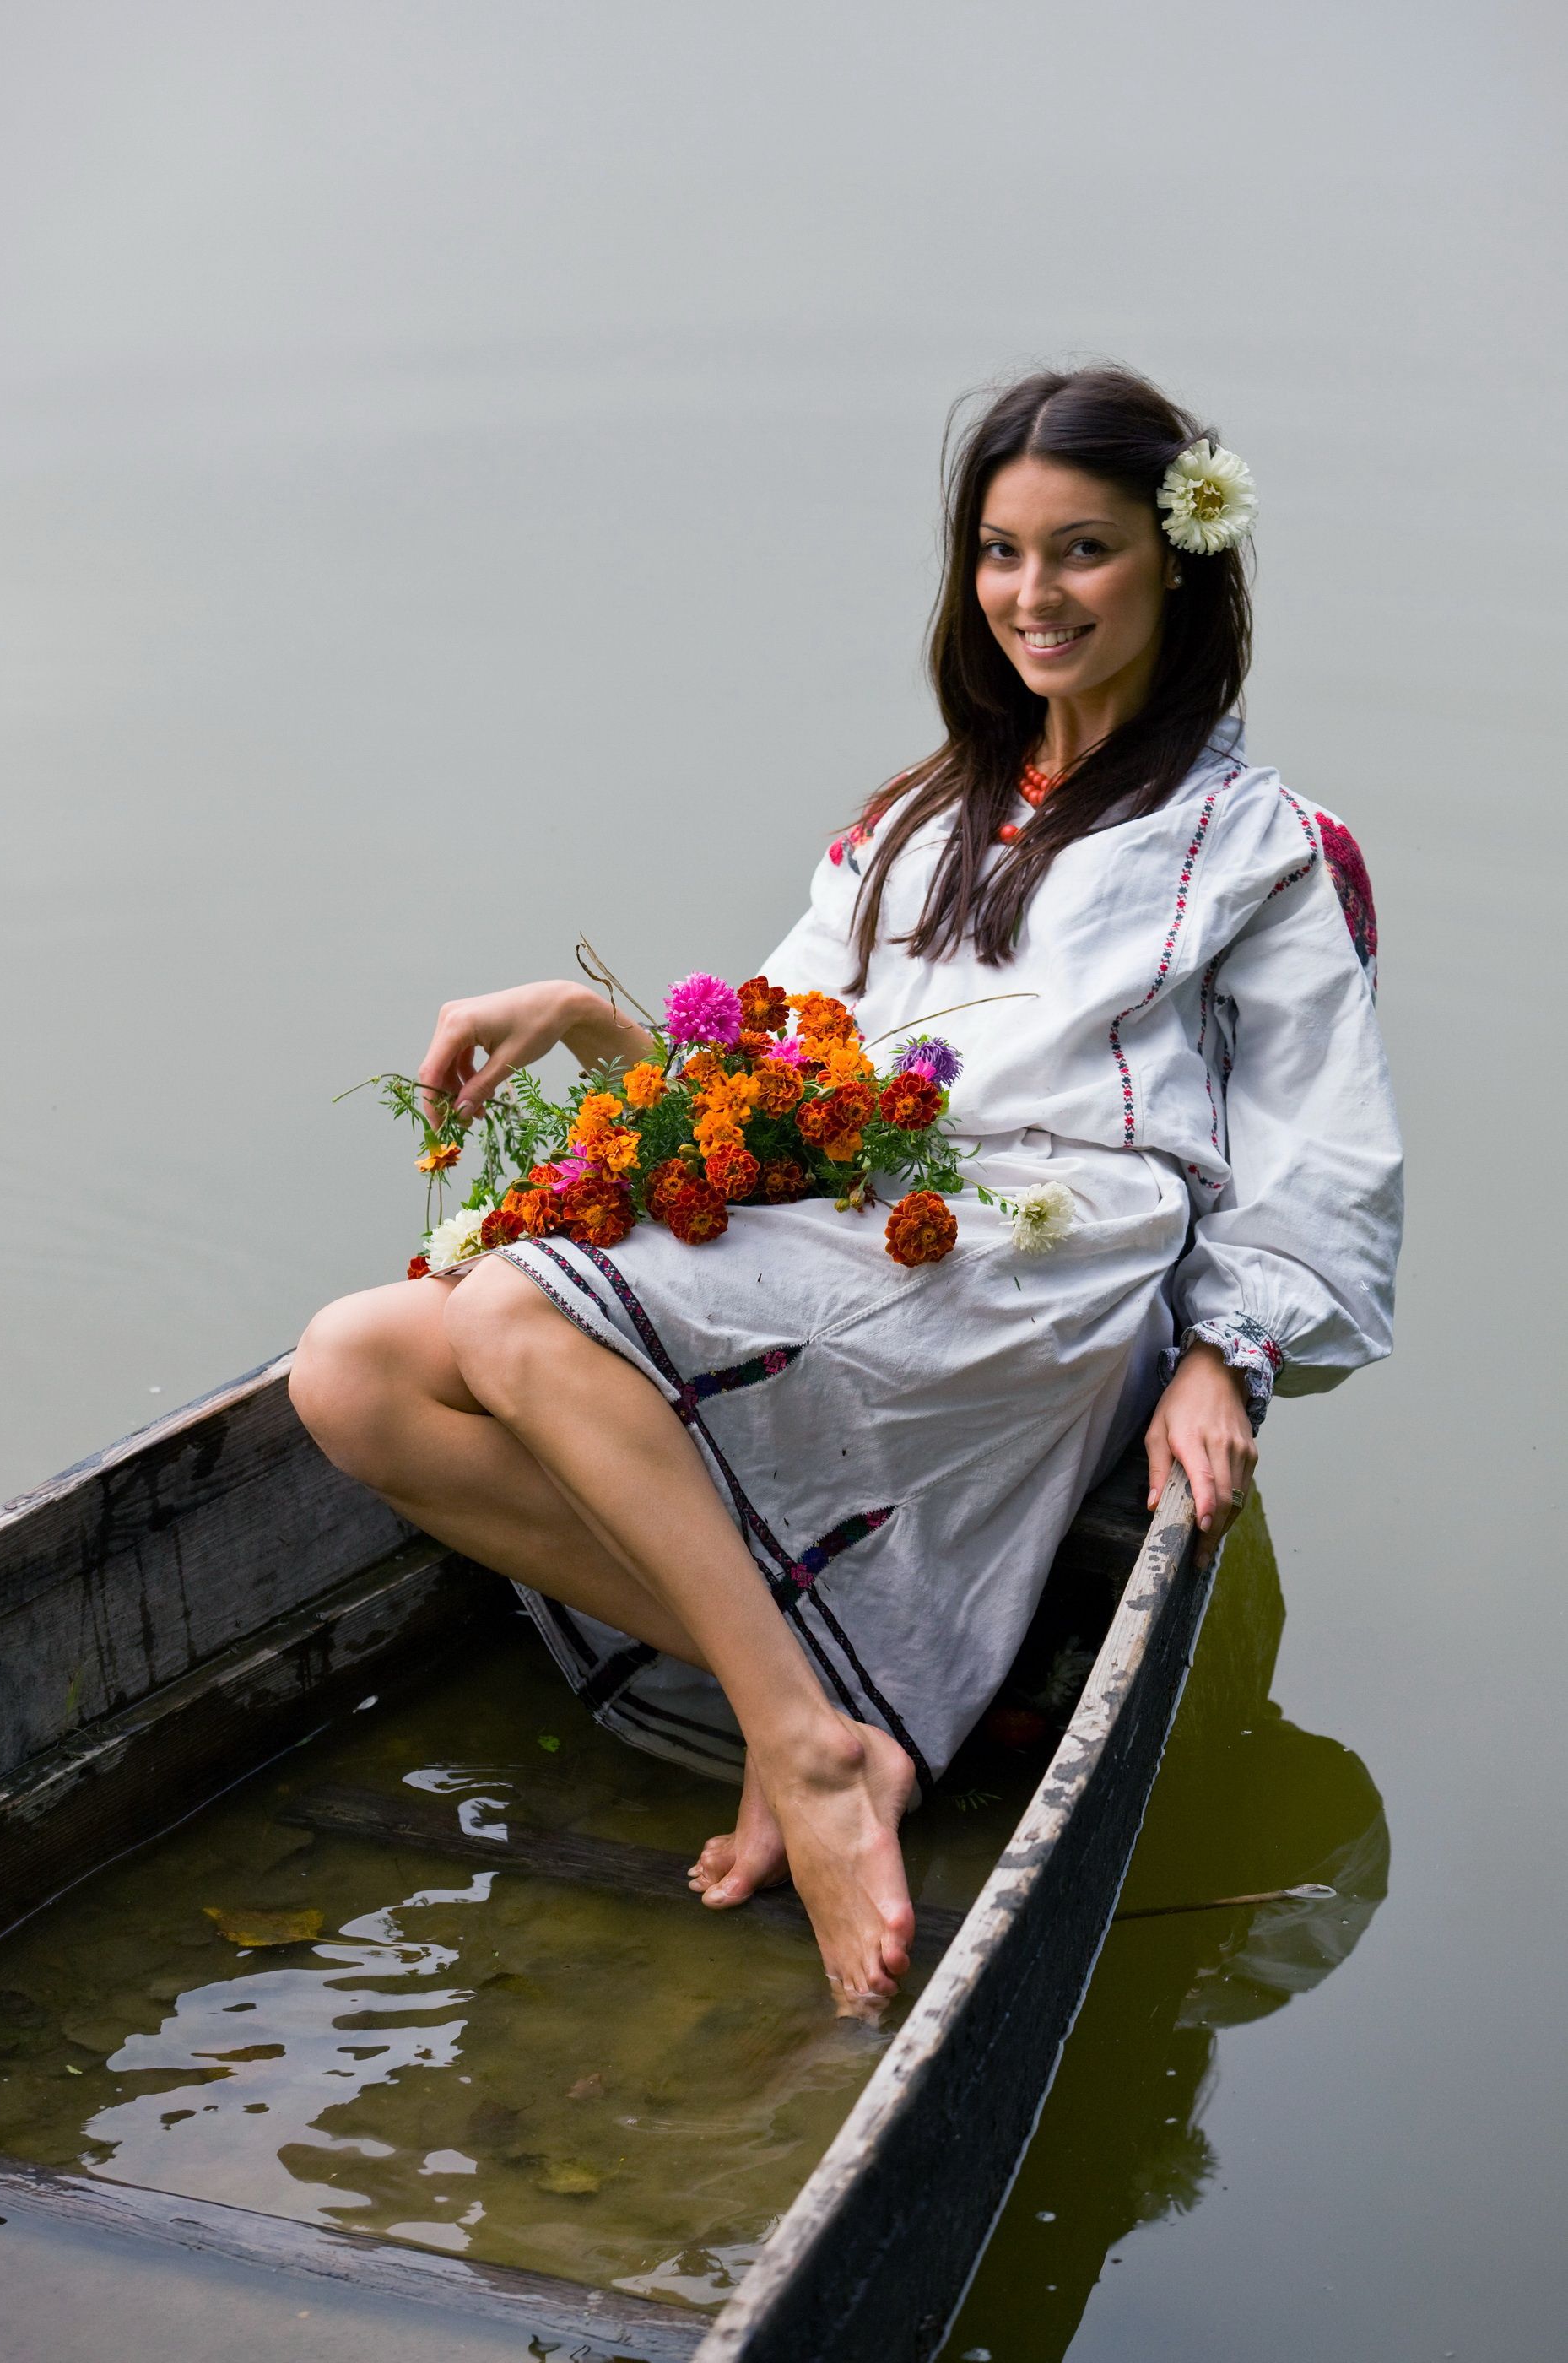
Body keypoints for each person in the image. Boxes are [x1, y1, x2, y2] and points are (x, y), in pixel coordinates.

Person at [289, 366, 1403, 2012]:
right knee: (353, 1367)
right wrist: (602, 1026)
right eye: (1002, 553)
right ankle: (811, 1702)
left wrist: (1220, 1353)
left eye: (1083, 550)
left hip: (1042, 1264)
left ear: (1178, 561)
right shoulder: (916, 820)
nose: (1035, 595)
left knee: (519, 1319)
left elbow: (1322, 1149)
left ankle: (807, 1752)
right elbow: (790, 1072)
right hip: (862, 1211)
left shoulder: (1262, 845)